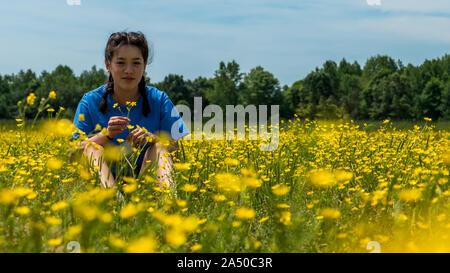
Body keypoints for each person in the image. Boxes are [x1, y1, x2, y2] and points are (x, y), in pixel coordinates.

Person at [72, 31, 189, 190]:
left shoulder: (159, 99)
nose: (129, 70)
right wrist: (105, 135)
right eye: (121, 63)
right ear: (108, 65)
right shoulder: (90, 101)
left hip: (146, 182)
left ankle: (169, 206)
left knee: (160, 148)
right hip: (102, 184)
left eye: (136, 63)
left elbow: (176, 147)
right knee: (91, 148)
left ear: (144, 65)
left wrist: (152, 139)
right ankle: (114, 203)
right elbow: (73, 153)